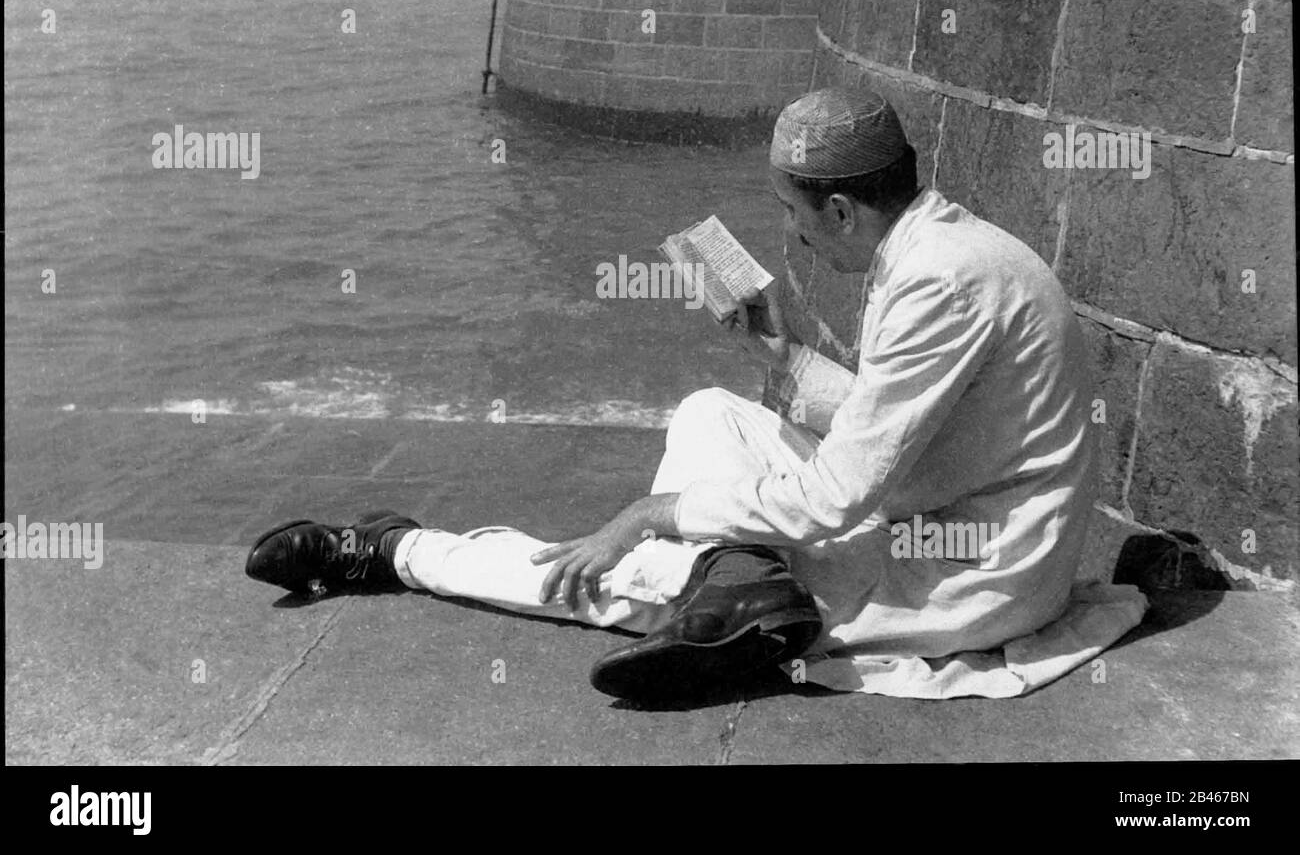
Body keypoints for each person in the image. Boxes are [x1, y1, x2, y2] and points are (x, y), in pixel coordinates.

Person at [246, 87, 1141, 703]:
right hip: (948, 506)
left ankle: (395, 551)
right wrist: (780, 354)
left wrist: (654, 513)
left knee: (628, 573)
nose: (789, 233)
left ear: (840, 211)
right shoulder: (947, 247)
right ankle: (745, 584)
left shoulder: (938, 283)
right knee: (710, 411)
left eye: (793, 213)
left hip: (966, 569)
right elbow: (904, 425)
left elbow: (842, 492)